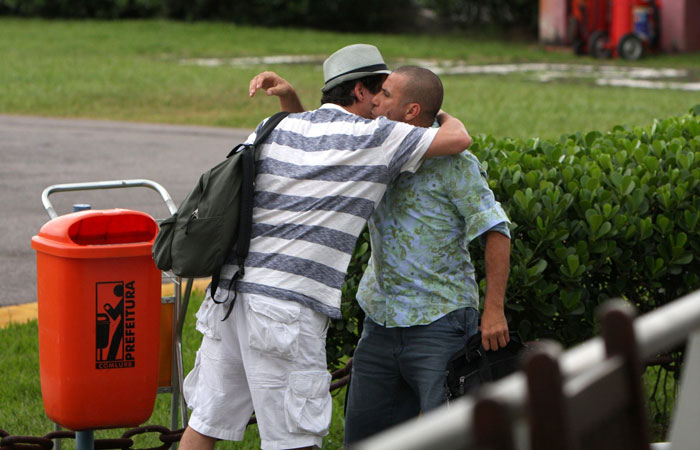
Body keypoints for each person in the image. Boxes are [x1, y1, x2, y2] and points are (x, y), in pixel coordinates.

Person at [179, 44, 471, 450]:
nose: (382, 103)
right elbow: (458, 138)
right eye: (380, 92)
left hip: (230, 296)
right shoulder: (375, 139)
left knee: (205, 423)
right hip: (285, 311)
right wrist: (435, 112)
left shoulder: (274, 127)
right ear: (358, 92)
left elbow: (317, 144)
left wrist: (289, 99)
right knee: (294, 439)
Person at [250, 65, 511, 445]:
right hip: (380, 323)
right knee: (364, 438)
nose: (374, 99)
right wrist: (290, 99)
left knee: (447, 439)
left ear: (411, 111)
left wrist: (494, 310)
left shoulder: (455, 165)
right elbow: (318, 145)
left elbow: (496, 231)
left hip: (441, 323)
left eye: (386, 94)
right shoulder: (371, 147)